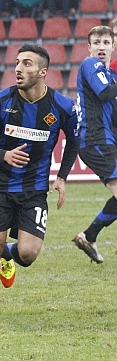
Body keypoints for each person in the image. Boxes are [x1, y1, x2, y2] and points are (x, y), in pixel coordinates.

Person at [0, 44, 79, 318]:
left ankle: (10, 255)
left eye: (27, 64)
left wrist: (62, 177)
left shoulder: (62, 106)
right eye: (17, 63)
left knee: (28, 254)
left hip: (33, 189)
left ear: (43, 72)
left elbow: (75, 140)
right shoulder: (0, 101)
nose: (18, 68)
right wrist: (4, 155)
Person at [71, 26, 117, 265]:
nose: (101, 47)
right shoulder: (90, 65)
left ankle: (89, 236)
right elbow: (105, 94)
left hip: (107, 140)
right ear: (89, 48)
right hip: (95, 140)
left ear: (113, 46)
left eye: (106, 42)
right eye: (96, 42)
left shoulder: (112, 76)